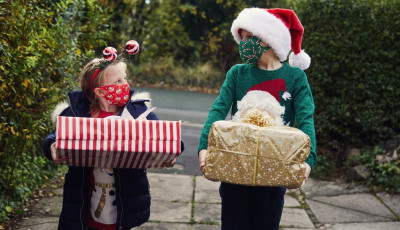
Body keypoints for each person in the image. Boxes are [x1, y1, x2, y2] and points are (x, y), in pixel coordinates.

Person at [197, 8, 317, 230]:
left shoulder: (295, 78)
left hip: (274, 173)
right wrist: (205, 146)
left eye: (251, 38)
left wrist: (308, 160)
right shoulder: (237, 73)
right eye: (242, 39)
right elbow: (218, 110)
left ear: (271, 39)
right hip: (235, 167)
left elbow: (305, 119)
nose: (245, 44)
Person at [42, 43, 179, 230]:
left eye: (125, 78)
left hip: (124, 205)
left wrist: (172, 151)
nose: (125, 85)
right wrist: (51, 146)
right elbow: (54, 136)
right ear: (99, 92)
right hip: (84, 204)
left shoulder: (137, 111)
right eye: (118, 82)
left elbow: (165, 137)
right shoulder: (78, 113)